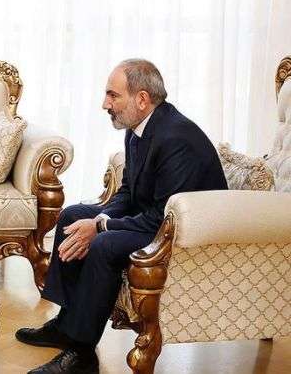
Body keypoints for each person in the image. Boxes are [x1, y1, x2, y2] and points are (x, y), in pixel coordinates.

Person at [16, 59, 227, 374]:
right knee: (73, 217)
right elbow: (128, 192)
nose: (105, 104)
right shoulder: (138, 129)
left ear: (142, 99)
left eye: (113, 95)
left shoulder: (176, 137)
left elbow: (162, 219)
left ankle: (82, 354)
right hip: (155, 219)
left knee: (104, 244)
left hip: (181, 235)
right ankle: (66, 325)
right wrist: (97, 219)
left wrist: (101, 226)